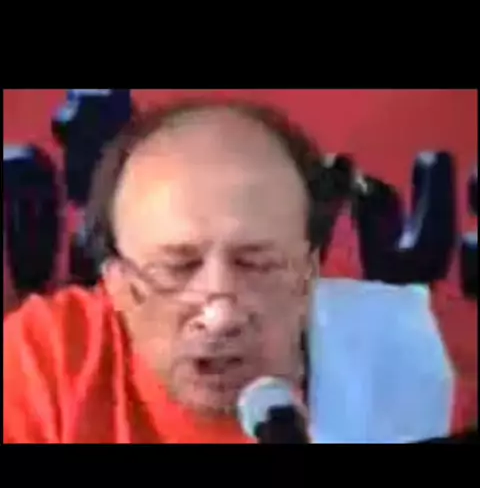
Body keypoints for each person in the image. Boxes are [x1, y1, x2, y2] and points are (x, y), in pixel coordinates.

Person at [4, 99, 334, 444]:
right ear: (117, 285)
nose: (220, 317)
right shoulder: (46, 363)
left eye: (257, 265)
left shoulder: (372, 365)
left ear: (308, 275)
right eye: (177, 269)